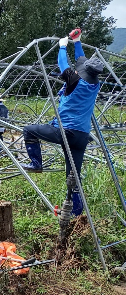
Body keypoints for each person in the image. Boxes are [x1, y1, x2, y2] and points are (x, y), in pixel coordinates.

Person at [21, 30, 103, 217]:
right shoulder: (95, 84)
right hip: (82, 137)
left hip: (65, 131)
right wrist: (77, 41)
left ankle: (36, 164)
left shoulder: (74, 80)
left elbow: (63, 64)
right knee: (73, 175)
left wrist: (63, 46)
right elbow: (82, 59)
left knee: (29, 131)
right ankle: (76, 212)